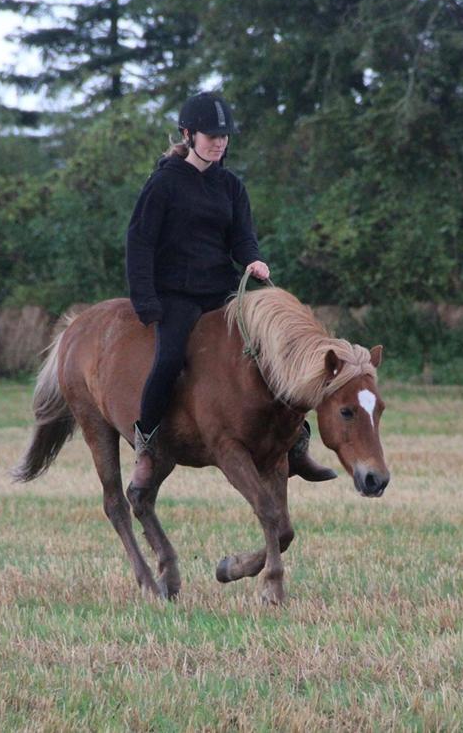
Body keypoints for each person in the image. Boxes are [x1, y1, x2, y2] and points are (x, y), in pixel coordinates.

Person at [125, 91, 336, 490]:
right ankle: (147, 446)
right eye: (211, 135)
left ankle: (295, 443)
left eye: (224, 136)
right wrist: (146, 301)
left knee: (274, 354)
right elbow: (139, 244)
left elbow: (242, 237)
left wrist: (252, 259)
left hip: (221, 291)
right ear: (188, 135)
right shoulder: (163, 184)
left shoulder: (232, 186)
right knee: (169, 359)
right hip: (177, 295)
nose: (219, 142)